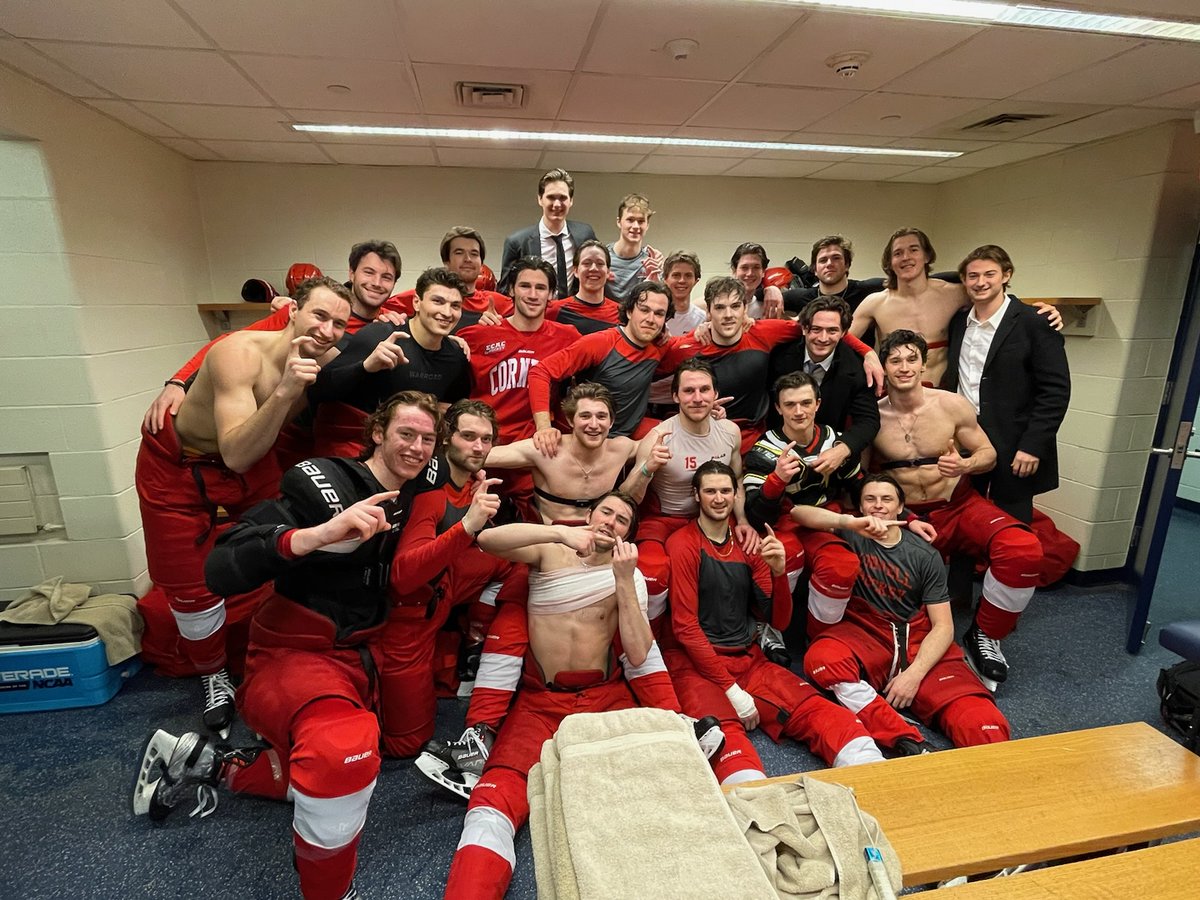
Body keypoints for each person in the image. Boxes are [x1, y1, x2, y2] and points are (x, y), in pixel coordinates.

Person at [133, 391, 498, 900]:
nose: (415, 447)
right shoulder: (326, 479)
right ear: (377, 432)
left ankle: (205, 764)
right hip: (298, 650)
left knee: (384, 753)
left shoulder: (426, 490)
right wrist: (314, 536)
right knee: (341, 754)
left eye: (425, 439)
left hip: (367, 652)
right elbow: (221, 566)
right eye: (404, 434)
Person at [436, 493, 717, 899]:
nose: (611, 522)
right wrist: (562, 535)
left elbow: (638, 652)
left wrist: (623, 580)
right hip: (539, 702)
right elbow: (488, 541)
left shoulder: (629, 575)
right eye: (606, 512)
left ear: (627, 535)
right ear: (590, 514)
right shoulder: (551, 548)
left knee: (657, 784)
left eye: (622, 520)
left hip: (605, 697)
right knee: (493, 798)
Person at [134, 276, 352, 733]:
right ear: (292, 310)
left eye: (338, 323)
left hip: (254, 464)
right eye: (319, 315)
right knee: (189, 586)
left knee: (274, 553)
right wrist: (287, 391)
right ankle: (213, 676)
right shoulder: (239, 353)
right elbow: (236, 450)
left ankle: (261, 657)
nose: (327, 330)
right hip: (180, 467)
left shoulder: (330, 358)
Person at [665, 462, 885, 786]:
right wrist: (731, 690)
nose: (718, 498)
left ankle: (880, 781)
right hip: (696, 665)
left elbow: (777, 621)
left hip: (749, 658)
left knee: (825, 714)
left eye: (725, 490)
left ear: (735, 494)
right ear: (696, 495)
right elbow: (685, 627)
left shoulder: (748, 543)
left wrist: (779, 573)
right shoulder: (683, 544)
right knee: (727, 744)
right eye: (710, 491)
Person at [870, 330, 1043, 689]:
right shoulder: (873, 417)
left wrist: (964, 466)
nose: (904, 367)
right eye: (895, 360)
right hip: (907, 518)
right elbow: (863, 478)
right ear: (884, 367)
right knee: (899, 601)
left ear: (923, 363)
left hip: (958, 504)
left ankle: (985, 635)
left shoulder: (951, 405)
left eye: (911, 359)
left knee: (1023, 549)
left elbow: (989, 454)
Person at [801, 474, 1012, 751]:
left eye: (886, 499)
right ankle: (905, 739)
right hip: (866, 634)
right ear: (861, 507)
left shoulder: (924, 554)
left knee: (981, 722)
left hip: (916, 640)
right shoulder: (850, 532)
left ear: (901, 507)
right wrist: (847, 521)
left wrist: (914, 675)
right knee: (822, 660)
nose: (878, 506)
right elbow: (797, 513)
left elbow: (944, 627)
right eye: (870, 499)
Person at [141, 239, 401, 436]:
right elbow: (229, 343)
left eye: (386, 277)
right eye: (369, 272)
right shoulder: (302, 313)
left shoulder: (389, 322)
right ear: (352, 273)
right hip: (269, 430)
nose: (377, 283)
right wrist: (177, 382)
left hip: (322, 433)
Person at [376, 400, 513, 755]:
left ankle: (474, 640)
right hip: (407, 616)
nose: (478, 447)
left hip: (444, 588)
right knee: (406, 745)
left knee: (516, 561)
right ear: (447, 438)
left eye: (486, 439)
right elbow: (403, 577)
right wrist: (469, 525)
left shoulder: (468, 481)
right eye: (468, 437)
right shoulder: (431, 488)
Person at [942, 245, 1071, 524]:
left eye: (990, 274)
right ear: (963, 280)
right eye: (972, 275)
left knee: (1012, 523)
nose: (980, 282)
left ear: (1006, 275)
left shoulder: (1034, 322)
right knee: (964, 517)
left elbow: (1055, 391)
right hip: (967, 437)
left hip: (1015, 442)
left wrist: (1033, 445)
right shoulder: (958, 323)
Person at [624, 357, 756, 625]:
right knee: (653, 572)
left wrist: (742, 520)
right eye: (688, 391)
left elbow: (738, 480)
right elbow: (627, 497)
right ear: (675, 396)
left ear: (715, 394)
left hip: (714, 519)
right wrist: (648, 468)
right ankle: (653, 641)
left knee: (761, 555)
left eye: (704, 390)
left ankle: (758, 629)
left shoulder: (730, 432)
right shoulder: (659, 437)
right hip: (665, 520)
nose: (697, 398)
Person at [851, 228, 1060, 386]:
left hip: (944, 393)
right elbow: (841, 338)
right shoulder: (875, 302)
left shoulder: (954, 293)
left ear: (926, 256)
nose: (906, 257)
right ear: (889, 261)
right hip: (895, 395)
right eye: (898, 253)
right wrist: (868, 353)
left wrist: (1035, 310)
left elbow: (995, 299)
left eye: (913, 250)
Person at [309, 267, 471, 456]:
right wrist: (366, 367)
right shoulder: (380, 335)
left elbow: (452, 406)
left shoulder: (456, 356)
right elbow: (317, 389)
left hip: (412, 450)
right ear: (417, 303)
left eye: (455, 306)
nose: (446, 312)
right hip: (356, 446)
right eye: (438, 301)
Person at [528, 279, 679, 440]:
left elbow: (695, 343)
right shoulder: (600, 343)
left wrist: (705, 329)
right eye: (644, 310)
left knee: (674, 436)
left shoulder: (661, 346)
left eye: (659, 314)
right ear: (629, 311)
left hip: (625, 438)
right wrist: (544, 428)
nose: (650, 319)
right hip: (586, 437)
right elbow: (541, 371)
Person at [457, 258, 581, 447]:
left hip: (535, 448)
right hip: (483, 443)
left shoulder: (568, 337)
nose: (533, 294)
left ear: (551, 295)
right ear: (511, 290)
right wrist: (452, 340)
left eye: (540, 288)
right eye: (525, 286)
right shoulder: (477, 335)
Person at [484, 383, 639, 524]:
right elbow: (479, 456)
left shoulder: (621, 449)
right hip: (546, 539)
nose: (593, 425)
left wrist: (647, 469)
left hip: (596, 539)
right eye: (585, 416)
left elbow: (658, 437)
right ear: (571, 421)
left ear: (611, 422)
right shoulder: (545, 448)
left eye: (601, 417)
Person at [767, 295, 881, 457]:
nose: (823, 338)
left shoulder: (857, 368)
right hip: (777, 447)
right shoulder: (778, 357)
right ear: (804, 328)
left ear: (844, 333)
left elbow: (868, 421)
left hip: (829, 449)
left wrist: (842, 449)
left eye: (832, 330)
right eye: (816, 329)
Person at [384, 226, 512, 331]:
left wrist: (503, 328)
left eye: (474, 254)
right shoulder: (424, 296)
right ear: (446, 261)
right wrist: (386, 317)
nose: (468, 259)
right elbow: (373, 309)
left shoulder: (495, 302)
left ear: (481, 263)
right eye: (459, 252)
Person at [497, 167, 597, 299]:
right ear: (540, 199)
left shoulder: (584, 234)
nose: (557, 204)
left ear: (571, 201)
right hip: (534, 313)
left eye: (563, 198)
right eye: (551, 197)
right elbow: (505, 289)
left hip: (572, 314)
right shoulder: (517, 242)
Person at [781, 235, 879, 319]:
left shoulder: (867, 290)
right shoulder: (799, 298)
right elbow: (767, 298)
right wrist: (772, 290)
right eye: (823, 260)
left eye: (836, 258)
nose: (829, 264)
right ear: (815, 269)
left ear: (847, 265)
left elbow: (893, 282)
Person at [546, 239, 622, 334]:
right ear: (576, 271)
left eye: (600, 263)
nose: (593, 268)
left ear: (608, 271)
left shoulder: (622, 313)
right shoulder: (553, 311)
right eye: (587, 263)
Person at [606, 192, 664, 299]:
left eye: (641, 221)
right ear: (619, 222)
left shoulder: (652, 261)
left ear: (647, 225)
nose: (636, 226)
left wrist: (655, 282)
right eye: (630, 220)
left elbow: (659, 301)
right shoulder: (603, 258)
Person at [730, 241, 785, 320]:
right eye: (744, 267)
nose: (750, 273)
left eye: (756, 267)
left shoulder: (768, 308)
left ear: (763, 272)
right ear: (734, 270)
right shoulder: (715, 305)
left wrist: (773, 289)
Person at [661, 250, 706, 337]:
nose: (682, 280)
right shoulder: (656, 316)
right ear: (665, 279)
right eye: (676, 275)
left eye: (688, 275)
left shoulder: (703, 319)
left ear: (696, 281)